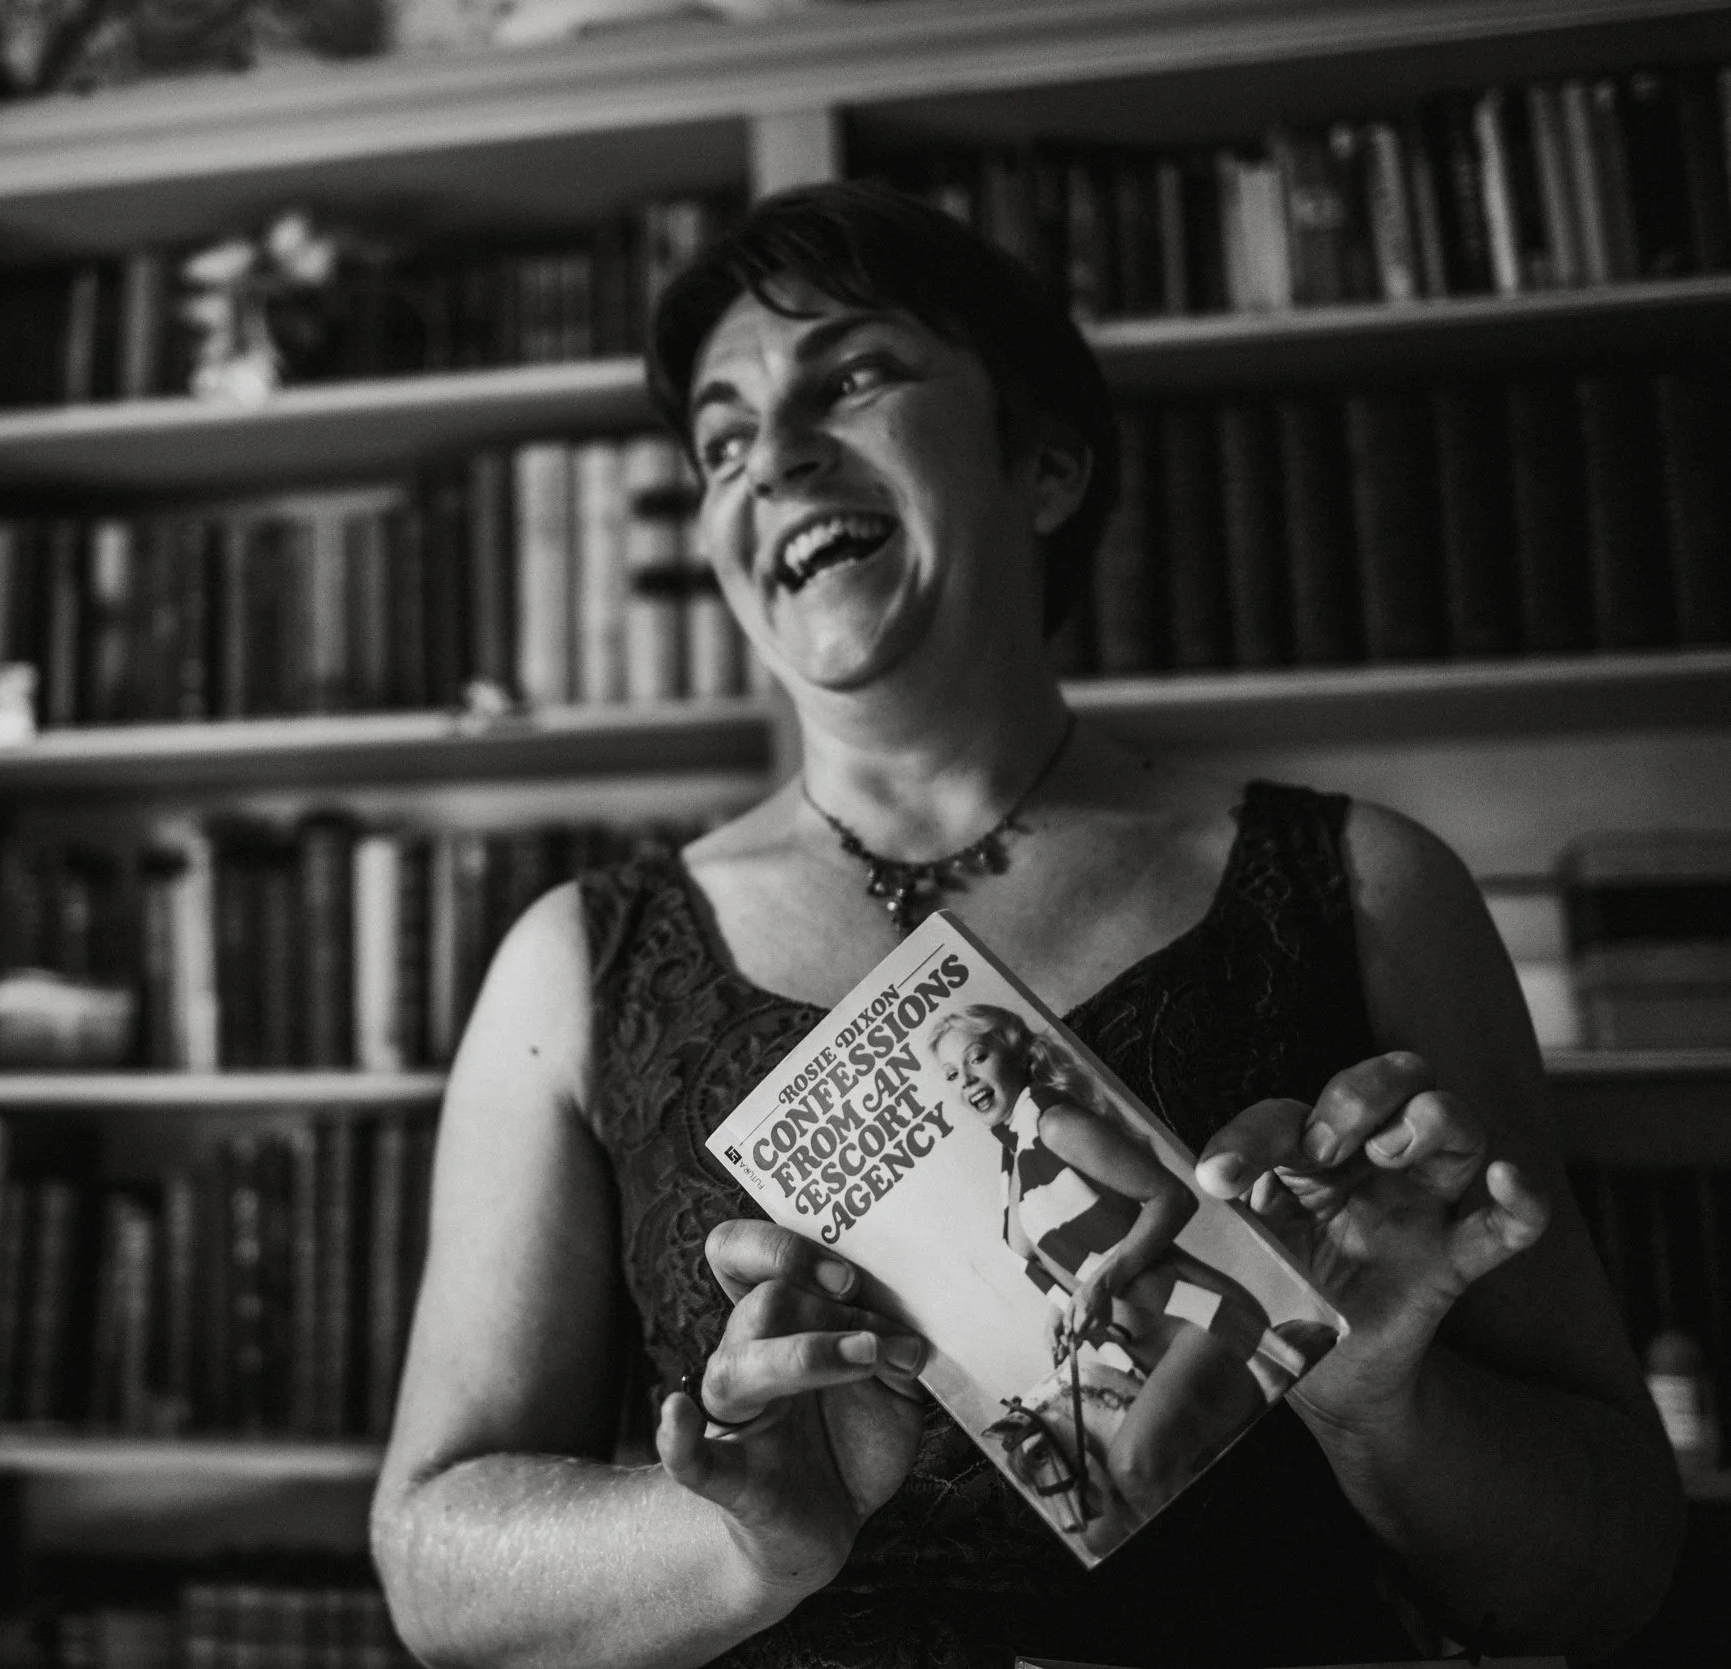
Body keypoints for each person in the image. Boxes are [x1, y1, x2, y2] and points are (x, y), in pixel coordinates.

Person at [368, 180, 1680, 1667]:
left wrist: (1388, 1398)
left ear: (1047, 464)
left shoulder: (1373, 886)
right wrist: (736, 1545)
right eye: (721, 439)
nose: (770, 460)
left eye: (854, 377)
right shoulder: (572, 964)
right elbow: (433, 1566)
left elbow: (1615, 1568)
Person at [929, 1002, 1322, 1536]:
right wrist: (1058, 1304)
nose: (965, 1079)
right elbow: (1053, 1251)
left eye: (977, 1057)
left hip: (1203, 1319)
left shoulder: (1056, 1123)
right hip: (1151, 1352)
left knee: (1136, 1468)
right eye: (952, 1074)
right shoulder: (1014, 1156)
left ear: (1016, 1051)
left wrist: (1101, 1282)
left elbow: (1171, 1198)